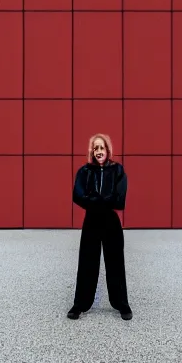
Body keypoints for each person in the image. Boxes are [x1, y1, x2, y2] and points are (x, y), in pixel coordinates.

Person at [67, 133, 132, 321]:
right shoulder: (85, 171)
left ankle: (122, 304)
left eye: (101, 148)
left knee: (115, 263)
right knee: (87, 262)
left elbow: (119, 198)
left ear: (108, 150)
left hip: (111, 222)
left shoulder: (117, 170)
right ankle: (79, 304)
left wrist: (96, 200)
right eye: (95, 148)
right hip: (91, 222)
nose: (99, 151)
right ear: (92, 151)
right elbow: (77, 195)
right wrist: (98, 201)